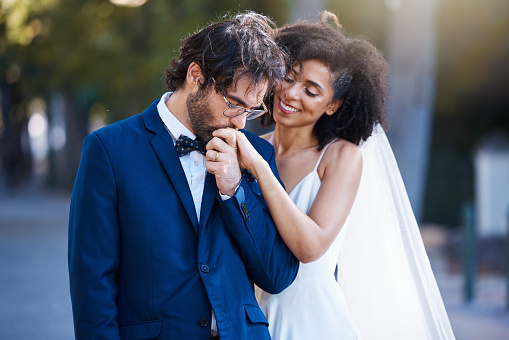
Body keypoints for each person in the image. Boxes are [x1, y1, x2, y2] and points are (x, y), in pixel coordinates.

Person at [68, 12, 299, 340]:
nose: (240, 124)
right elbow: (92, 285)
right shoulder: (108, 150)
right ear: (196, 75)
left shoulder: (256, 157)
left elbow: (277, 274)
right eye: (235, 105)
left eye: (252, 110)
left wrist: (234, 191)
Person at [230, 11, 456, 340]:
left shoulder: (340, 157)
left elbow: (310, 246)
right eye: (289, 77)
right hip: (251, 320)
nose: (292, 94)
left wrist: (260, 168)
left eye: (311, 90)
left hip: (313, 323)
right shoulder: (250, 150)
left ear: (332, 105)